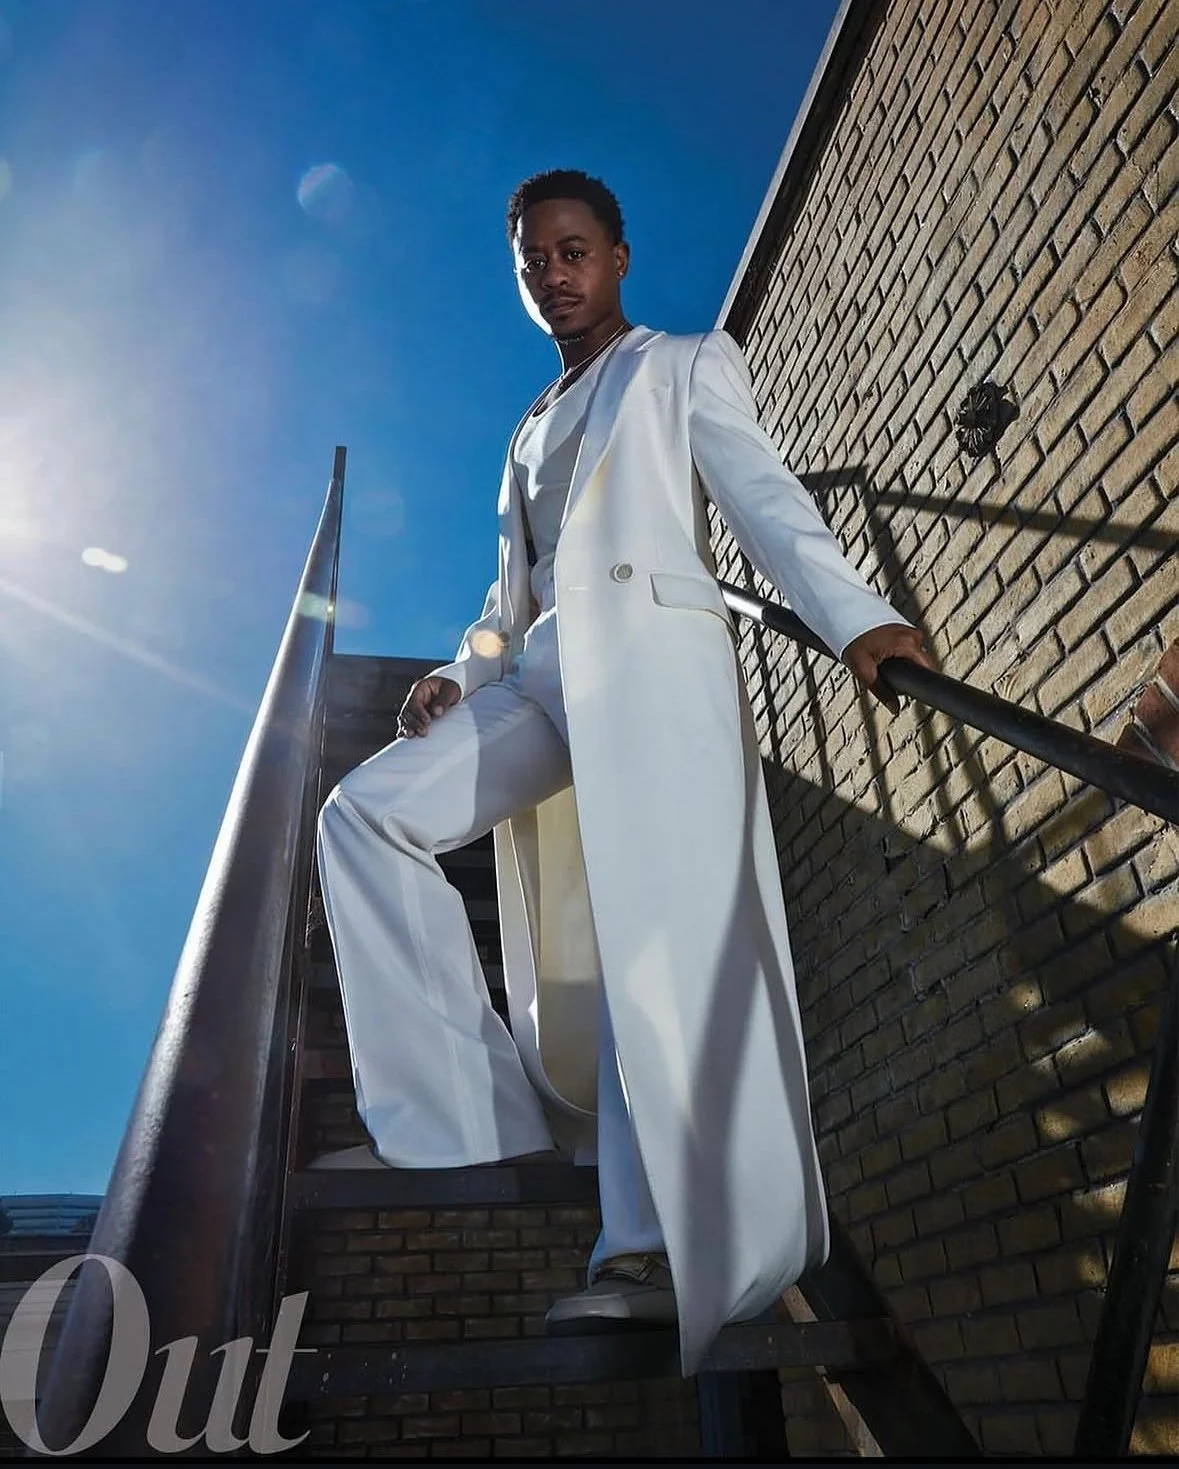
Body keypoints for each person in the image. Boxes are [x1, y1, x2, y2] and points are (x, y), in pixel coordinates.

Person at [313, 169, 933, 1374]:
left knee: (648, 947)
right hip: (541, 680)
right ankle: (462, 1113)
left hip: (651, 680)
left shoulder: (684, 365)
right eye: (534, 260)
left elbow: (765, 501)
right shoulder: (525, 430)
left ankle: (643, 1252)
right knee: (364, 813)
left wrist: (856, 618)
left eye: (574, 250)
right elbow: (508, 602)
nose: (554, 273)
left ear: (617, 257)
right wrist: (458, 671)